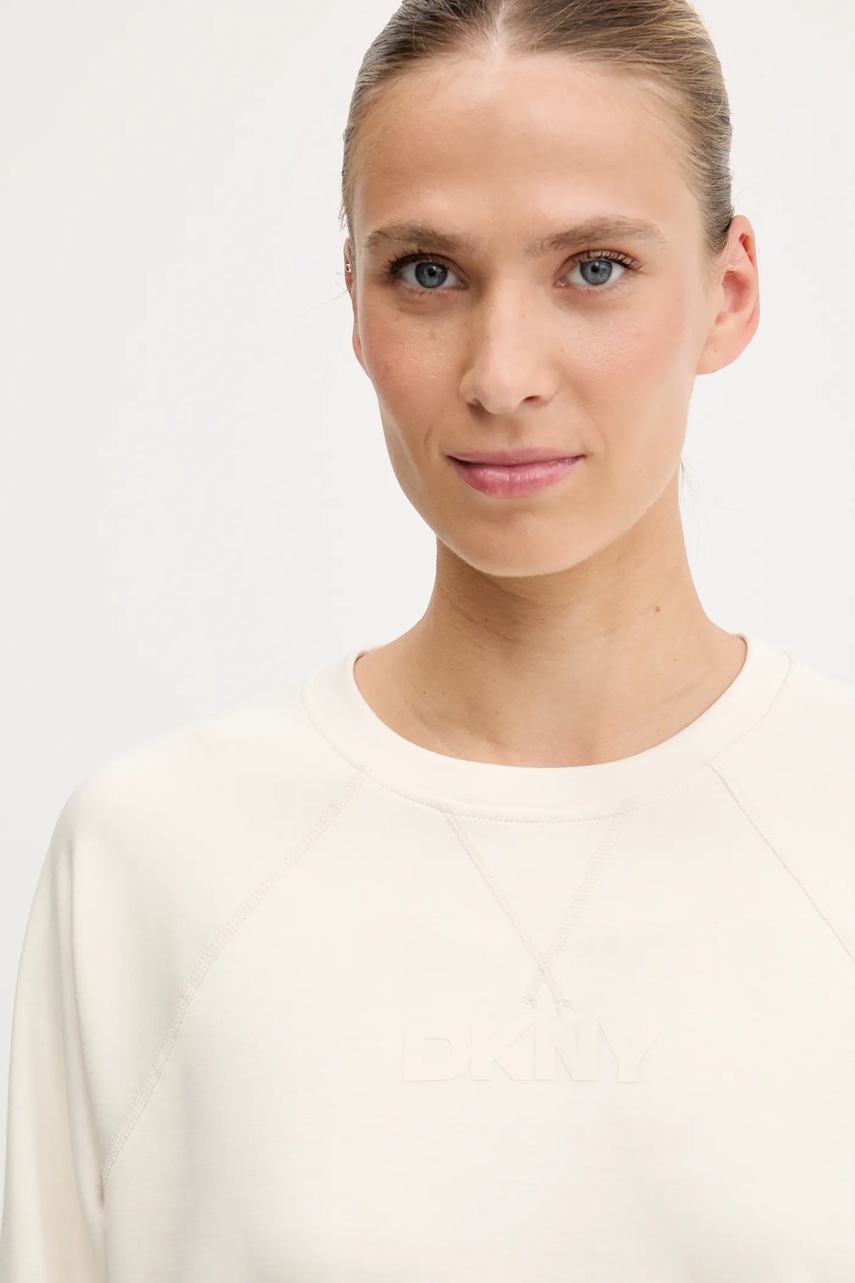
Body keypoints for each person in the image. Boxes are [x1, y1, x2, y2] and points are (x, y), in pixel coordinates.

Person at [2, 0, 855, 1278]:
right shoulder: (157, 856)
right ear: (354, 302)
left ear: (728, 295)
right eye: (429, 273)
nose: (502, 375)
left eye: (593, 268)